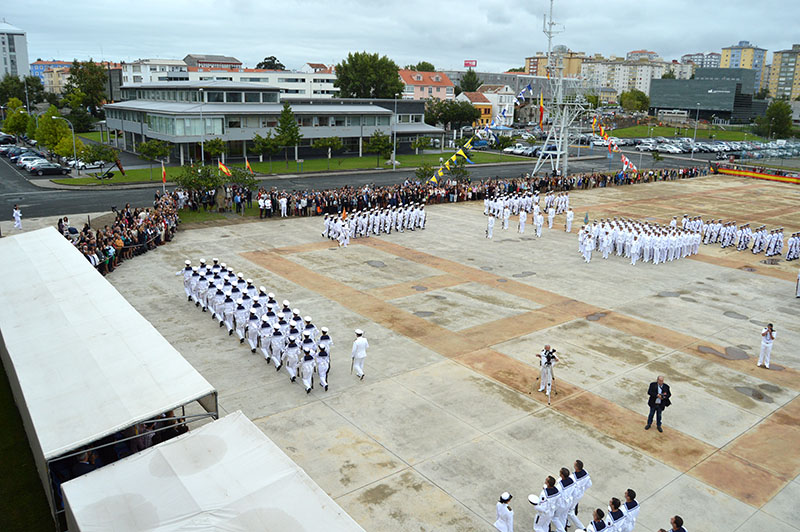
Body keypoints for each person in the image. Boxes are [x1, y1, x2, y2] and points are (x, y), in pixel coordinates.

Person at [569, 460, 592, 529]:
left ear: (576, 467)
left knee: (570, 511)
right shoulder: (586, 473)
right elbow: (589, 484)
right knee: (572, 507)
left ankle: (581, 527)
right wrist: (582, 489)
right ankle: (568, 522)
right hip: (580, 494)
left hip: (574, 495)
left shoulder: (573, 477)